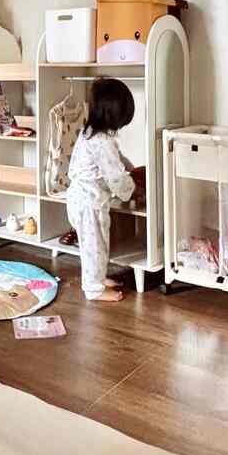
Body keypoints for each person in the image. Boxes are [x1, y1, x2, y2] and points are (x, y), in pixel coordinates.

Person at [66, 77, 137, 302]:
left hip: (82, 199)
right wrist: (132, 189)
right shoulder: (103, 142)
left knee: (98, 245)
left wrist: (128, 166)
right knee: (94, 247)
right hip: (89, 204)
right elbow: (116, 178)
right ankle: (93, 289)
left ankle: (99, 277)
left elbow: (115, 160)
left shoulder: (89, 134)